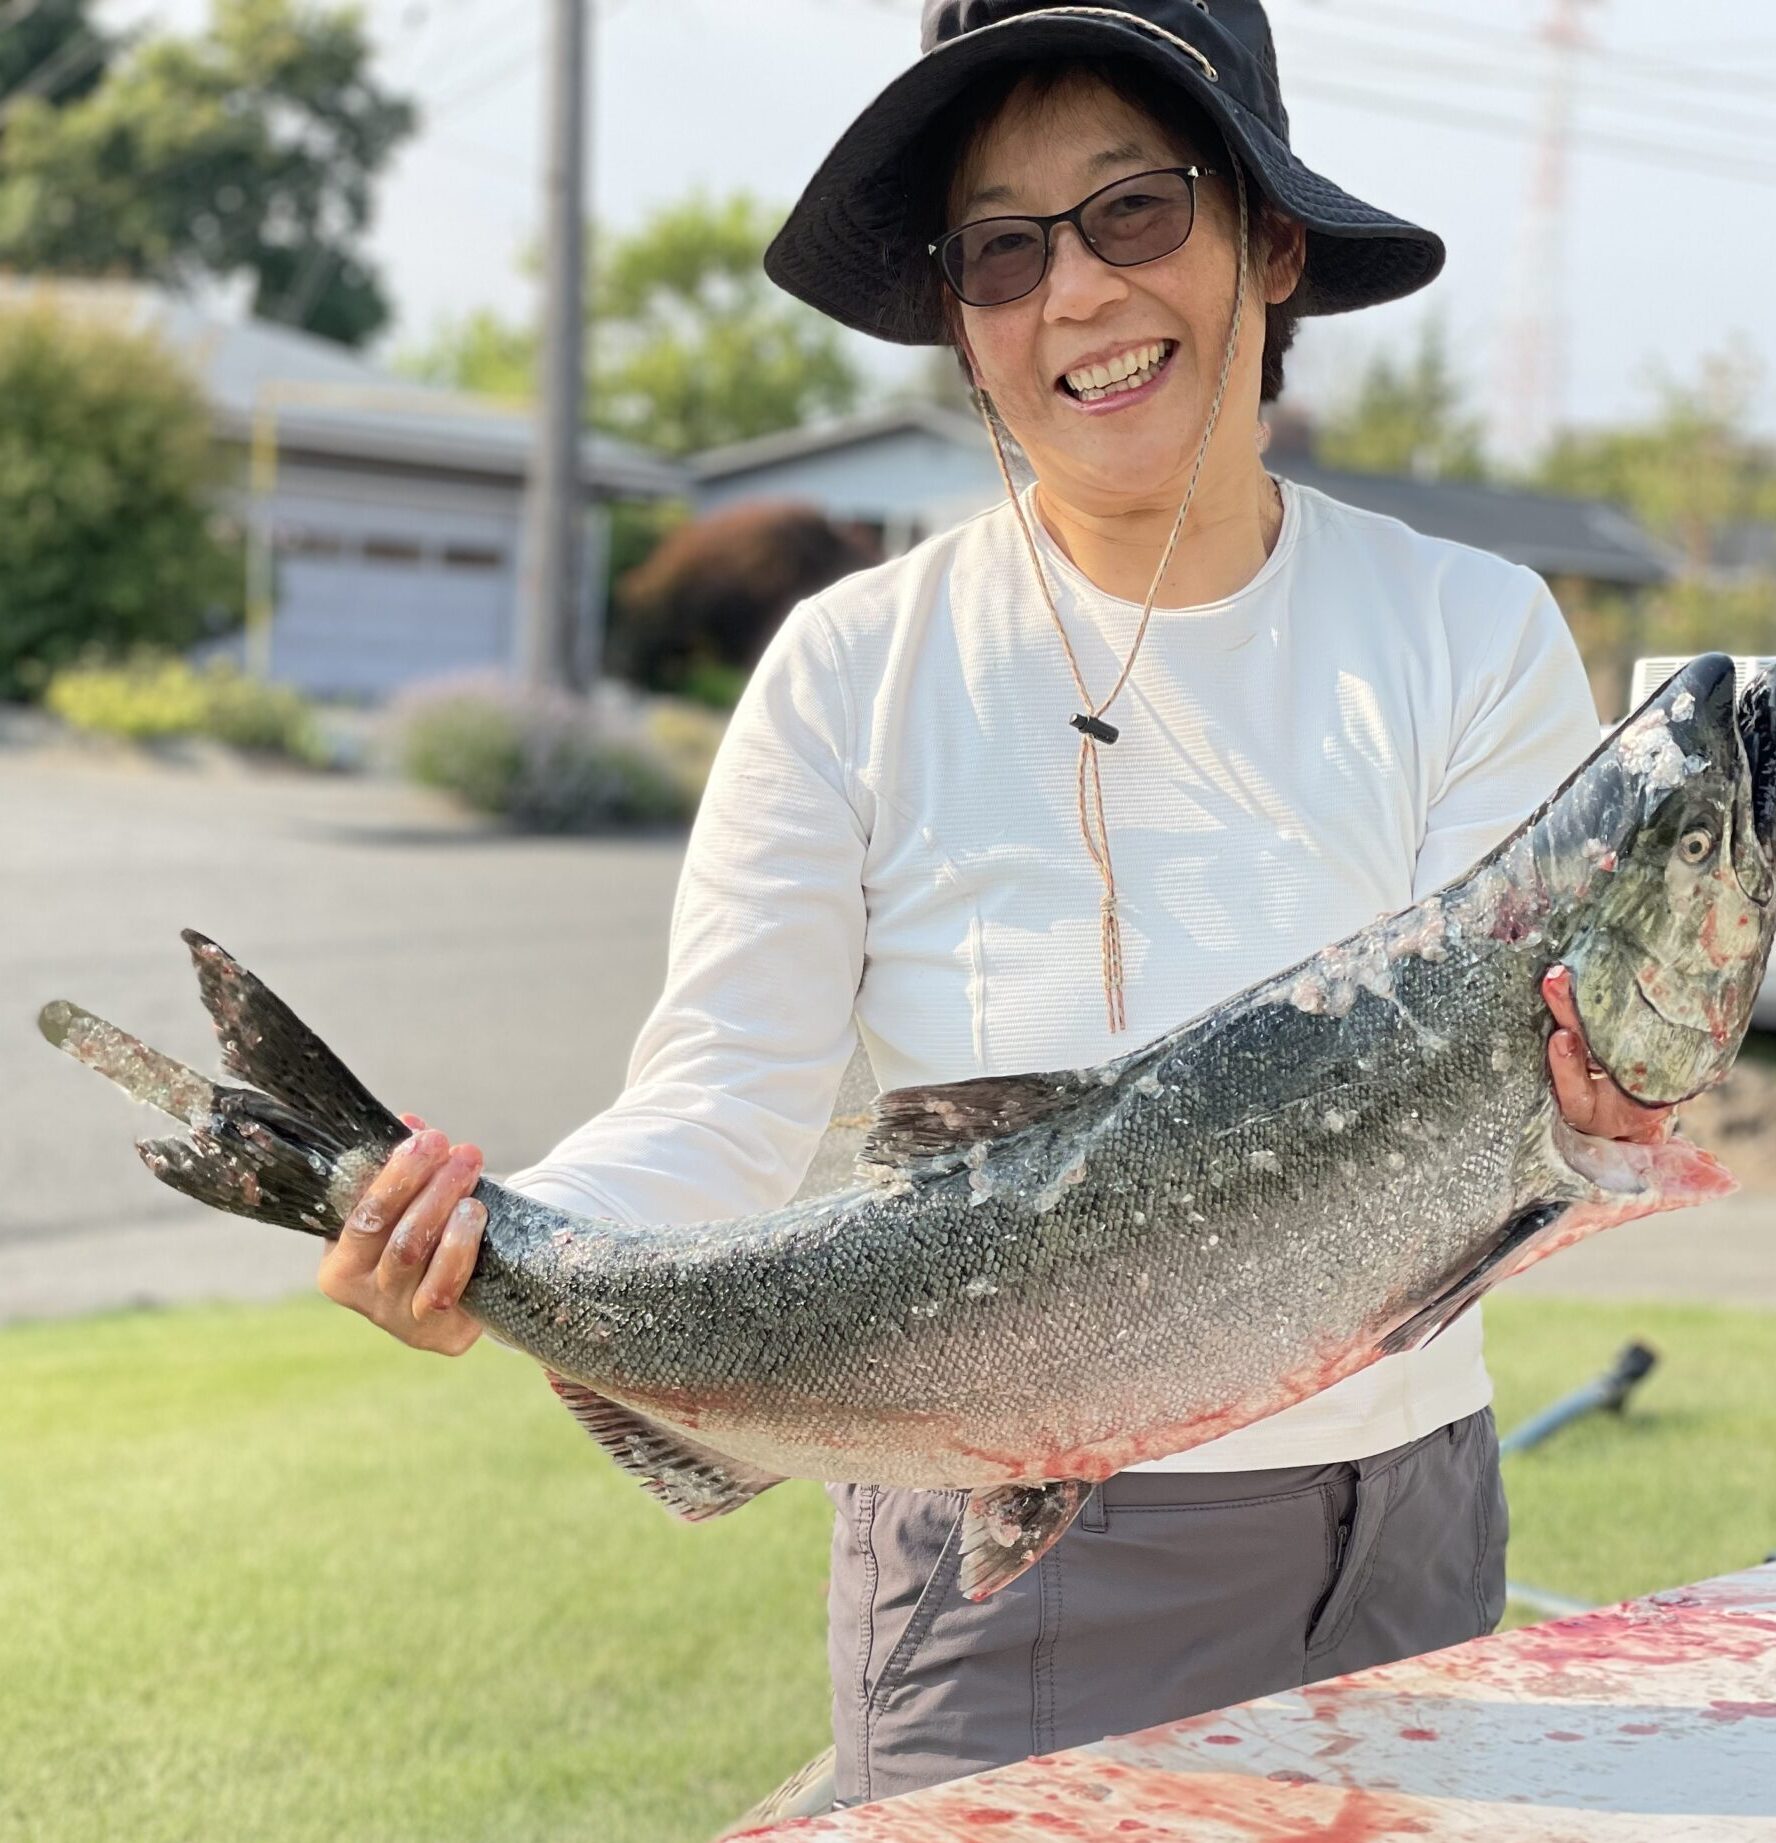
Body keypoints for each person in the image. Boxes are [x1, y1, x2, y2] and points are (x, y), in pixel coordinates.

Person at [317, 0, 1677, 1810]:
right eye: (1003, 250)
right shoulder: (849, 669)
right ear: (960, 317)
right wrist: (504, 1241)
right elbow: (729, 1090)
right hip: (1003, 1553)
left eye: (1135, 211)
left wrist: (1610, 1110)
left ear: (1269, 242)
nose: (1079, 299)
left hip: (1411, 1518)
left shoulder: (1468, 630)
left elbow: (1538, 1095)